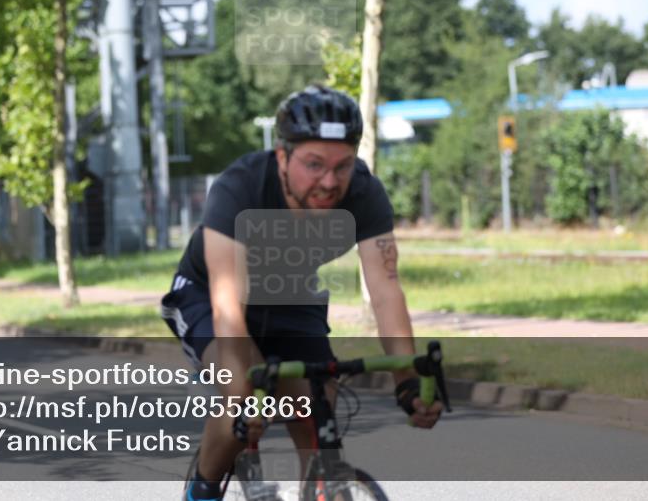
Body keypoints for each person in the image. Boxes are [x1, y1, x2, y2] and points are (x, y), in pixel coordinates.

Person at [161, 85, 443, 501]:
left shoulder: (363, 194)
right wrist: (243, 396)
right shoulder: (240, 189)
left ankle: (321, 487)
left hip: (291, 295)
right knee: (243, 394)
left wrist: (406, 380)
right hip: (208, 295)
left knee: (316, 399)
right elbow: (227, 307)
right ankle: (201, 491)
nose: (329, 181)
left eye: (342, 166)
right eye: (314, 164)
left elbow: (385, 291)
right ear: (282, 156)